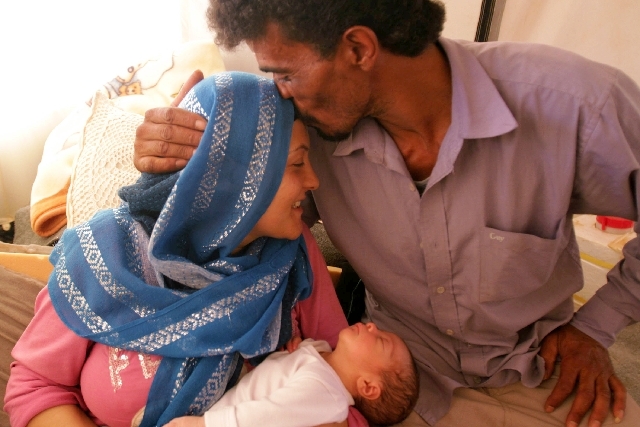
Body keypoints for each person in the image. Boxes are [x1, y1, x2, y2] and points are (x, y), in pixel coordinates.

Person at [132, 1, 640, 426]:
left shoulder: (574, 104)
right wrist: (173, 172)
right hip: (394, 381)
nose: (281, 92)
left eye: (286, 73)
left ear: (358, 49)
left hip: (543, 370)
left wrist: (595, 327)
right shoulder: (305, 134)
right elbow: (240, 222)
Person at [4, 72, 367, 427]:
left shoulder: (292, 254)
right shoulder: (103, 252)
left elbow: (350, 384)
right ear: (233, 178)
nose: (313, 181)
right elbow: (35, 388)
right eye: (297, 163)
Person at [162, 322, 419, 427]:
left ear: (368, 387)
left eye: (381, 341)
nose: (372, 326)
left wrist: (205, 425)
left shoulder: (328, 395)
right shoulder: (322, 352)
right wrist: (291, 350)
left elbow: (267, 417)